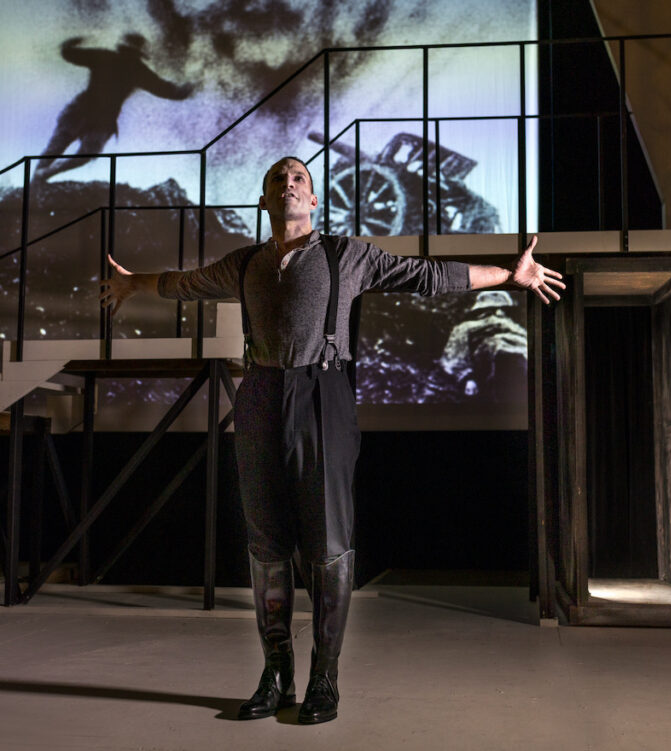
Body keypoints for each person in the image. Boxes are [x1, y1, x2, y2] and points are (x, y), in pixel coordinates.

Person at [99, 156, 564, 724]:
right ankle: (276, 675)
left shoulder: (348, 255)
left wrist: (507, 275)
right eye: (276, 180)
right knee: (265, 541)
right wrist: (133, 283)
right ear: (265, 203)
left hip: (323, 391)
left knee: (326, 539)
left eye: (298, 178)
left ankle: (325, 678)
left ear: (314, 201)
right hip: (261, 393)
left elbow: (426, 275)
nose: (288, 184)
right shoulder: (245, 263)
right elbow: (183, 284)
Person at [34, 33, 194, 182]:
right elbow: (166, 90)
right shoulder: (135, 69)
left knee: (61, 149)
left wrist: (70, 44)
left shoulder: (108, 58)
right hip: (95, 117)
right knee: (75, 152)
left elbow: (69, 54)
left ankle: (40, 177)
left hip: (86, 113)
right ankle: (42, 176)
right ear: (138, 54)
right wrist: (188, 89)